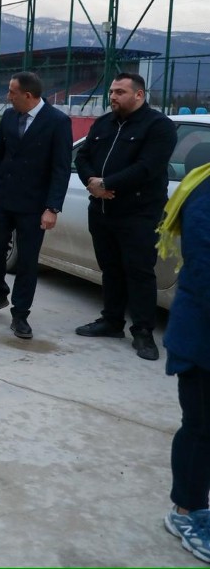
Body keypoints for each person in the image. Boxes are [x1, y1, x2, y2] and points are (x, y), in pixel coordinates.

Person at [73, 72, 177, 360]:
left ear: (139, 95)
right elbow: (82, 157)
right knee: (110, 268)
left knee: (140, 272)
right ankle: (112, 321)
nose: (113, 97)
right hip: (102, 211)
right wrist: (92, 183)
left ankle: (143, 331)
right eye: (111, 92)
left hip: (139, 213)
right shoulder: (103, 123)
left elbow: (148, 167)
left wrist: (107, 184)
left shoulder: (158, 126)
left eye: (120, 92)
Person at [0, 71, 72, 340]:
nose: (8, 97)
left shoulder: (58, 121)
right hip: (2, 199)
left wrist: (52, 208)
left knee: (27, 260)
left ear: (28, 95)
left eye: (12, 92)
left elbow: (61, 168)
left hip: (33, 205)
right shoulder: (9, 116)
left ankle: (20, 313)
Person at [157, 162, 210, 563]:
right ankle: (187, 512)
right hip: (201, 338)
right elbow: (205, 270)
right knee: (201, 426)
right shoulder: (205, 194)